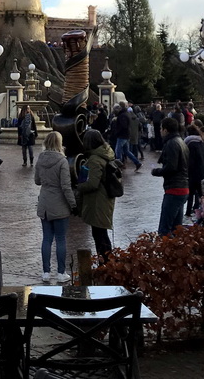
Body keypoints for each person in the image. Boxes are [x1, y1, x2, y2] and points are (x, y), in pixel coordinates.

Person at [34, 131, 77, 282]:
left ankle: (46, 272)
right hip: (59, 203)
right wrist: (73, 204)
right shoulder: (62, 161)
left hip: (45, 202)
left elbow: (37, 181)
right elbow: (66, 186)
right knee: (60, 239)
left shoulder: (40, 158)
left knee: (46, 239)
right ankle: (60, 273)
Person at [77, 129, 117, 258]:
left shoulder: (95, 159)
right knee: (101, 233)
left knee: (99, 234)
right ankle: (107, 263)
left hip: (98, 201)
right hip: (104, 198)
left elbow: (93, 183)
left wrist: (79, 186)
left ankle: (105, 263)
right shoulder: (106, 153)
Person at [152, 118, 189, 237]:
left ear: (165, 130)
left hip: (174, 188)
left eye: (161, 129)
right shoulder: (180, 141)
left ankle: (166, 252)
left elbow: (171, 167)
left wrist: (156, 171)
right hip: (183, 187)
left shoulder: (171, 143)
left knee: (164, 229)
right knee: (177, 229)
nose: (160, 131)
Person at [112, 103, 143, 171]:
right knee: (126, 151)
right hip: (126, 135)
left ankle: (118, 167)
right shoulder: (126, 114)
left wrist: (117, 132)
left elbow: (124, 126)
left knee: (118, 151)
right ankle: (137, 163)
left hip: (122, 135)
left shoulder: (121, 116)